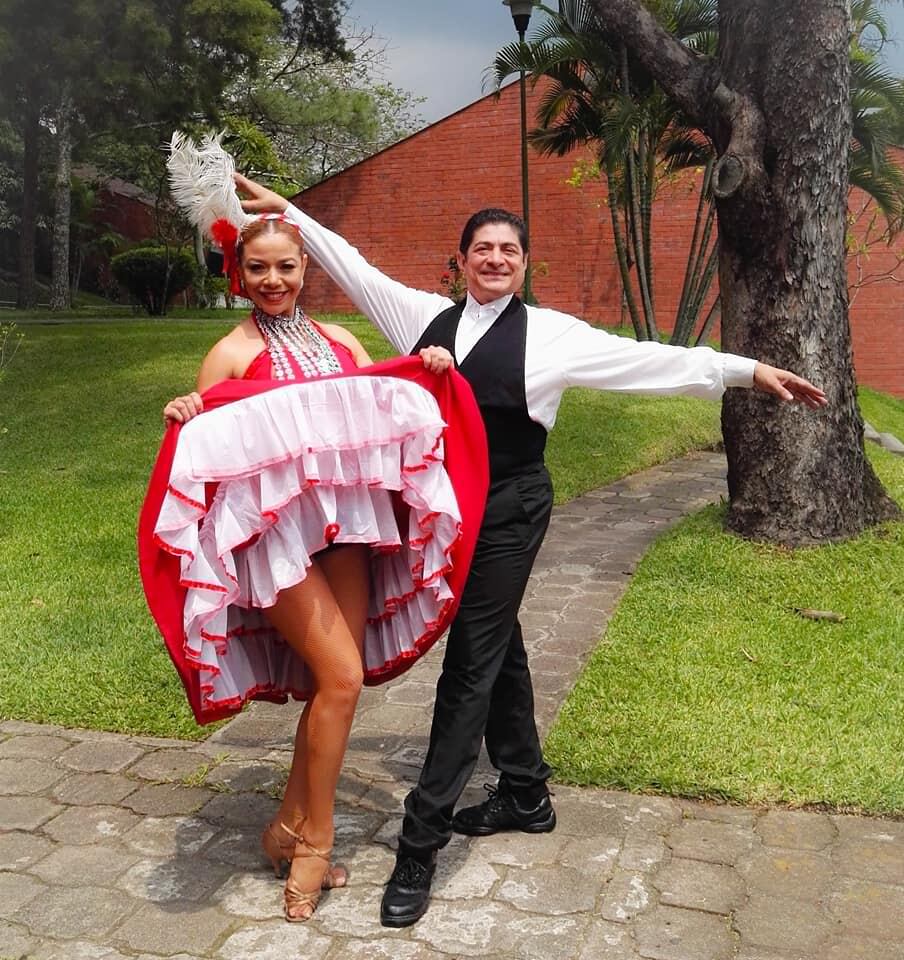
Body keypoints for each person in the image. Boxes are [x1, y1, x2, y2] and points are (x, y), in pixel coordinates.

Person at [234, 173, 828, 927]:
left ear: (524, 265)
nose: (495, 259)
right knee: (500, 636)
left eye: (509, 250)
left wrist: (743, 370)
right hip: (447, 510)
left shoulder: (554, 336)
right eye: (481, 248)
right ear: (461, 261)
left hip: (512, 506)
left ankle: (420, 845)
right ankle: (524, 792)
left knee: (471, 661)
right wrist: (290, 214)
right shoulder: (421, 317)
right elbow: (351, 263)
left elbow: (652, 361)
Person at [139, 134, 489, 925]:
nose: (273, 281)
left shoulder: (340, 343)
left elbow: (378, 407)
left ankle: (286, 825)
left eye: (286, 267)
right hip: (274, 541)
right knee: (338, 677)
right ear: (239, 272)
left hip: (345, 531)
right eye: (258, 268)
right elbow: (212, 452)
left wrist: (428, 370)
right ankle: (314, 843)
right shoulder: (227, 353)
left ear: (305, 272)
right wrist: (190, 413)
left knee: (343, 679)